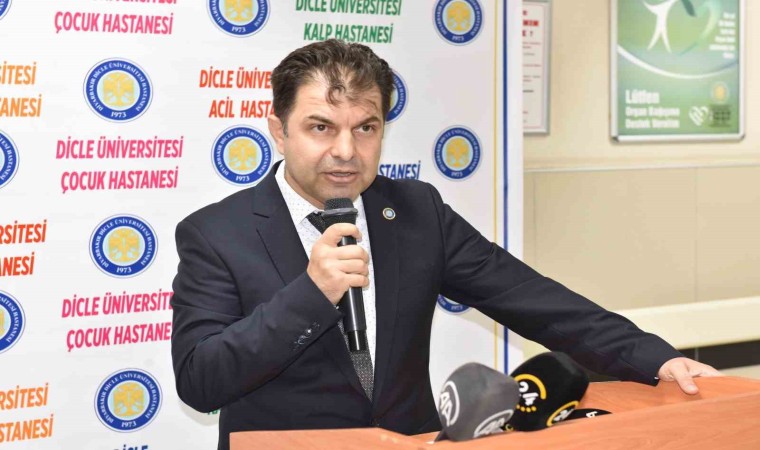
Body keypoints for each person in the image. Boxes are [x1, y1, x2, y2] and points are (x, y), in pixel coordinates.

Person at [170, 39, 719, 450]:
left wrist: (658, 358)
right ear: (278, 129)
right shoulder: (216, 233)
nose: (346, 150)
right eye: (321, 127)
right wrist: (311, 295)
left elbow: (533, 299)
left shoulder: (415, 211)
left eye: (365, 128)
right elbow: (200, 380)